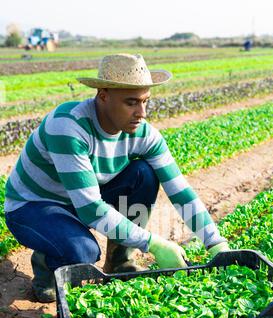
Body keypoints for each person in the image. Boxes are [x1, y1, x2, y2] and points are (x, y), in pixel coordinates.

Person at [4, 53, 229, 303]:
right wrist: (154, 244)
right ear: (103, 96)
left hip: (83, 198)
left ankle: (121, 262)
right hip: (34, 206)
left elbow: (180, 191)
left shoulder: (143, 134)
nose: (141, 112)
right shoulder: (68, 126)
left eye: (145, 101)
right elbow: (90, 209)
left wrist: (215, 243)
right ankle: (47, 263)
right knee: (83, 251)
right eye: (131, 102)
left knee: (143, 174)